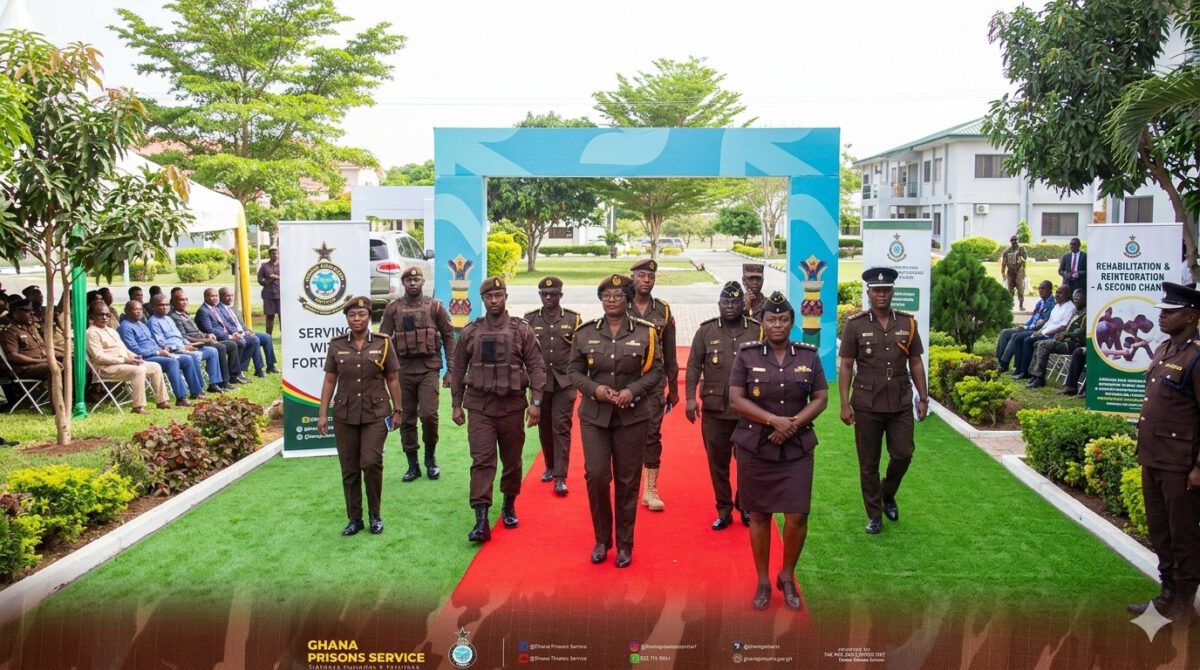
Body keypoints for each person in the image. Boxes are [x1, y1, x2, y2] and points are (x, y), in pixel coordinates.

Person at [728, 291, 828, 610]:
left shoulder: (808, 356)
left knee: (797, 515)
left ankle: (787, 575)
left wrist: (792, 424)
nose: (777, 325)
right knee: (759, 514)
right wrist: (773, 421)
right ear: (762, 322)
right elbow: (736, 398)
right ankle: (762, 580)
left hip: (797, 446)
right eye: (771, 319)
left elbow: (821, 397)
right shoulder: (747, 355)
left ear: (791, 322)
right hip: (756, 446)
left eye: (783, 319)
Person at [568, 273, 664, 568]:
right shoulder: (585, 332)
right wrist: (595, 389)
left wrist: (632, 390)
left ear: (628, 299)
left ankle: (624, 544)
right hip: (595, 416)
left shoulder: (646, 333)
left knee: (627, 481)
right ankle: (601, 539)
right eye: (607, 296)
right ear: (601, 299)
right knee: (596, 476)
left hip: (631, 416)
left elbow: (656, 371)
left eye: (618, 295)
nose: (612, 300)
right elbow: (573, 372)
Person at [449, 276, 546, 543]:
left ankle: (509, 504)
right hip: (480, 407)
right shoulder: (470, 332)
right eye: (489, 297)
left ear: (505, 297)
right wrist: (456, 404)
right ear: (483, 300)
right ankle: (481, 520)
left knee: (512, 462)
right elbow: (458, 369)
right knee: (482, 460)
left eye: (498, 295)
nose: (494, 300)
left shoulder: (522, 330)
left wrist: (536, 403)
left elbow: (537, 367)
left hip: (512, 407)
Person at [1127, 282, 1200, 620]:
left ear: (1192, 316)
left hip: (1180, 464)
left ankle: (1184, 604)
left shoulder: (1196, 356)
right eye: (1162, 310)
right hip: (1153, 456)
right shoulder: (1165, 348)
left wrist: (1198, 467)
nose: (1162, 316)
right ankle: (1167, 594)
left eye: (1170, 312)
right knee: (1160, 530)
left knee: (1183, 533)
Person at [839, 267, 929, 535]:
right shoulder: (855, 324)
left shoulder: (907, 323)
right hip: (866, 402)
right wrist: (844, 403)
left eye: (886, 290)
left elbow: (915, 361)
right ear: (868, 292)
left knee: (903, 454)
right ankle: (874, 514)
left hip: (900, 399)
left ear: (892, 292)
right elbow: (846, 365)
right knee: (868, 463)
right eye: (876, 290)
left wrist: (923, 397)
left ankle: (887, 492)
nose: (881, 294)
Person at [316, 296, 403, 536]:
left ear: (369, 318)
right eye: (352, 315)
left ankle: (375, 514)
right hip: (344, 414)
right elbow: (329, 380)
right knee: (349, 468)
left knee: (371, 463)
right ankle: (355, 518)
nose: (357, 319)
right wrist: (322, 414)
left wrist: (398, 410)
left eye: (362, 315)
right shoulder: (337, 345)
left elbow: (393, 378)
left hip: (376, 413)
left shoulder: (384, 343)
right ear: (347, 318)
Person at [685, 281, 763, 529]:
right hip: (715, 410)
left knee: (747, 462)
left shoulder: (756, 330)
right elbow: (693, 366)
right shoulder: (706, 331)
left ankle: (745, 505)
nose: (729, 306)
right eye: (725, 302)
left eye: (734, 302)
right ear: (719, 304)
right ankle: (723, 509)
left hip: (748, 411)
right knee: (717, 463)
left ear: (742, 304)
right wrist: (690, 398)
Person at [379, 267, 456, 482]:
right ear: (403, 283)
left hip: (428, 369)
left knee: (429, 414)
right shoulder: (393, 308)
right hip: (402, 370)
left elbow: (449, 337)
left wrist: (451, 370)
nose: (413, 283)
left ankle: (430, 458)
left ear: (423, 282)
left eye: (417, 279)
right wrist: (381, 371)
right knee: (406, 417)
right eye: (408, 280)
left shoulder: (435, 306)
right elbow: (383, 340)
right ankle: (412, 464)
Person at [525, 276, 582, 495]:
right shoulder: (530, 319)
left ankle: (560, 477)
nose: (548, 297)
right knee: (544, 427)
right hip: (540, 383)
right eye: (544, 294)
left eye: (553, 294)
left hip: (565, 382)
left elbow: (580, 351)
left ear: (561, 295)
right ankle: (549, 465)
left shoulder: (573, 319)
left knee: (561, 427)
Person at [629, 258, 677, 512]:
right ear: (633, 278)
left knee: (651, 434)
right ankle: (628, 487)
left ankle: (650, 489)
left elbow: (670, 353)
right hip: (624, 382)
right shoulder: (620, 304)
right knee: (626, 435)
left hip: (654, 384)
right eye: (642, 276)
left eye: (651, 276)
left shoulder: (663, 310)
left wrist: (674, 389)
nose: (646, 280)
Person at [85, 301, 170, 413]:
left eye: (107, 315)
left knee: (155, 366)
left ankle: (162, 401)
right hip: (105, 368)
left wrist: (136, 357)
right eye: (100, 315)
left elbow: (124, 349)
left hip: (123, 364)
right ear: (92, 316)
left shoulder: (111, 330)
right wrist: (125, 360)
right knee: (139, 370)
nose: (105, 318)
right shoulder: (91, 333)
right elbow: (98, 357)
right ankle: (138, 407)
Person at [117, 300, 202, 406]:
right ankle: (181, 398)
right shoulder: (125, 327)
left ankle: (196, 392)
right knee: (172, 362)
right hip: (145, 357)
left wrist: (163, 349)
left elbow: (153, 342)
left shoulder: (141, 324)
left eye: (140, 309)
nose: (139, 312)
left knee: (187, 359)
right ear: (126, 311)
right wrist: (157, 352)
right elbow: (134, 349)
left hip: (157, 353)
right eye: (135, 309)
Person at [146, 295, 225, 394]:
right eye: (161, 305)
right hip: (174, 351)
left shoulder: (168, 318)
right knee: (194, 356)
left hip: (185, 347)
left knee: (212, 351)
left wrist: (188, 344)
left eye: (166, 305)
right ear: (153, 307)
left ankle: (213, 384)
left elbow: (180, 336)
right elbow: (161, 344)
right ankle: (199, 388)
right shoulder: (153, 322)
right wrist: (182, 347)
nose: (165, 307)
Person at [168, 291, 241, 389]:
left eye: (186, 299)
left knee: (232, 345)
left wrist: (207, 335)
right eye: (181, 300)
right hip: (192, 344)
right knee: (220, 347)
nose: (185, 302)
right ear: (173, 302)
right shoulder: (174, 317)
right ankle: (224, 381)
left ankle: (234, 375)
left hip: (201, 340)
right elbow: (184, 337)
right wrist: (205, 340)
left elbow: (197, 331)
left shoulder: (185, 313)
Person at [1012, 284, 1076, 380]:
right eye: (1056, 292)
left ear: (1067, 295)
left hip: (1053, 335)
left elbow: (1063, 327)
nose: (1057, 295)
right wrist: (1040, 330)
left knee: (1028, 341)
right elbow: (1049, 322)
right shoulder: (1057, 306)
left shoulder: (1070, 308)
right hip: (1045, 331)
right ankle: (1018, 368)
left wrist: (1043, 332)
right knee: (1019, 338)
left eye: (1060, 293)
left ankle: (1025, 372)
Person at [1025, 289, 1087, 388]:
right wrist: (1060, 334)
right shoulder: (1076, 310)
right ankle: (1034, 375)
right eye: (1074, 299)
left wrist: (1065, 334)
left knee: (1043, 345)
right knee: (1037, 343)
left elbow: (1080, 332)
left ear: (1084, 300)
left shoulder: (1086, 313)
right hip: (1064, 340)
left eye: (1077, 299)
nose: (1075, 301)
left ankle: (1040, 378)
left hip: (1073, 344)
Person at [0, 298, 64, 387]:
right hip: (24, 367)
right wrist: (41, 361)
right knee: (54, 367)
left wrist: (61, 354)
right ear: (16, 312)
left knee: (69, 360)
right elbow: (13, 356)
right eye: (27, 311)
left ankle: (70, 392)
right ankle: (54, 395)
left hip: (40, 362)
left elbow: (41, 347)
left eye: (31, 310)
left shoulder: (29, 327)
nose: (32, 313)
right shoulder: (9, 331)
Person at [195, 287, 257, 378]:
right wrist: (228, 336)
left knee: (251, 340)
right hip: (215, 338)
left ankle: (239, 370)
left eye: (216, 296)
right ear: (205, 297)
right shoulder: (203, 311)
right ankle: (234, 373)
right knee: (239, 343)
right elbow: (209, 330)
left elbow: (225, 324)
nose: (215, 298)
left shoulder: (215, 308)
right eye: (212, 296)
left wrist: (234, 333)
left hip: (226, 334)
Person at [218, 287, 278, 375]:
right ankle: (259, 369)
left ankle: (271, 366)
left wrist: (247, 330)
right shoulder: (218, 310)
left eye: (232, 295)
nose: (230, 298)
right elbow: (226, 326)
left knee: (267, 337)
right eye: (227, 296)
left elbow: (240, 324)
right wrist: (242, 333)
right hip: (235, 336)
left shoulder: (233, 308)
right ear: (221, 296)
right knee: (254, 339)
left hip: (243, 333)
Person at [996, 281, 1054, 372]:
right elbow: (1032, 319)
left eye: (1043, 288)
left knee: (1015, 336)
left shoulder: (1052, 304)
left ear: (1050, 290)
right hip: (1029, 328)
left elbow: (1042, 323)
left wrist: (1026, 328)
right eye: (1039, 288)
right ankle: (999, 361)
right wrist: (1024, 326)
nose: (1040, 290)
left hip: (1038, 330)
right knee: (1005, 332)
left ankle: (1004, 364)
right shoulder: (1040, 302)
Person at [1000, 235, 1029, 310]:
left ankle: (1021, 305)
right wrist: (1003, 272)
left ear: (1018, 240)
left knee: (1020, 288)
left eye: (1015, 240)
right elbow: (1004, 262)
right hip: (1010, 271)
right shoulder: (1007, 251)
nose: (1014, 241)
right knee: (1010, 289)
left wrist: (1019, 263)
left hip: (1019, 271)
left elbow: (1025, 258)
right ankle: (1010, 305)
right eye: (1012, 240)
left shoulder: (1021, 249)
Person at [258, 247, 281, 336]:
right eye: (272, 253)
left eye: (276, 253)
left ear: (279, 254)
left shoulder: (283, 265)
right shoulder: (264, 266)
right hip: (268, 294)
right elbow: (260, 279)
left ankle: (284, 336)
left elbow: (289, 278)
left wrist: (276, 277)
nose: (275, 255)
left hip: (281, 295)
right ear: (269, 255)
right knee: (270, 316)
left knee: (282, 316)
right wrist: (268, 279)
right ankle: (268, 336)